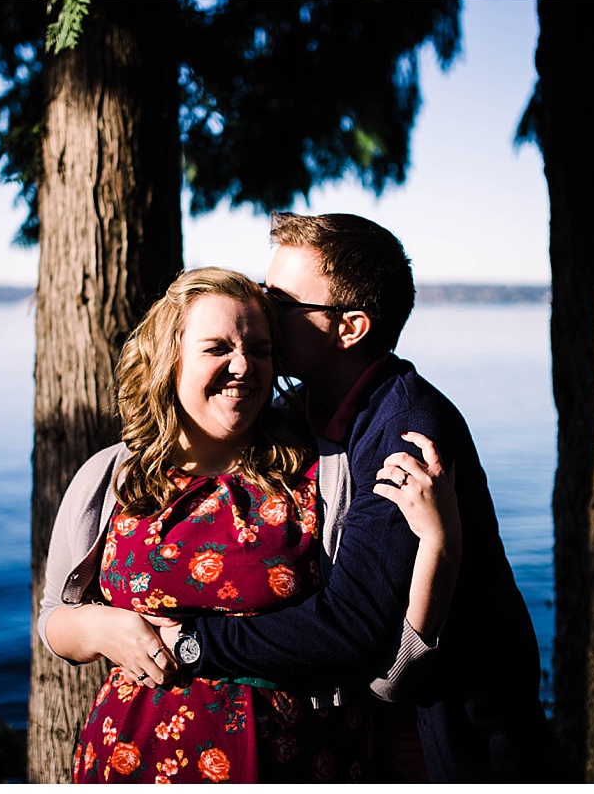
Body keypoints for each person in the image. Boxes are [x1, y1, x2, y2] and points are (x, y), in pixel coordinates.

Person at [159, 212, 551, 783]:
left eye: (280, 302)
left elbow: (352, 624)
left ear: (350, 327)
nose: (262, 310)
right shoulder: (308, 413)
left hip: (440, 735)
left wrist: (194, 644)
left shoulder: (406, 433)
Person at [37, 267, 459, 784]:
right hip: (135, 759)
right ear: (169, 359)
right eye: (217, 348)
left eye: (259, 350)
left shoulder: (323, 474)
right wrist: (100, 627)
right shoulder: (111, 475)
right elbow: (55, 618)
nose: (242, 366)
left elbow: (374, 638)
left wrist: (443, 543)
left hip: (306, 760)